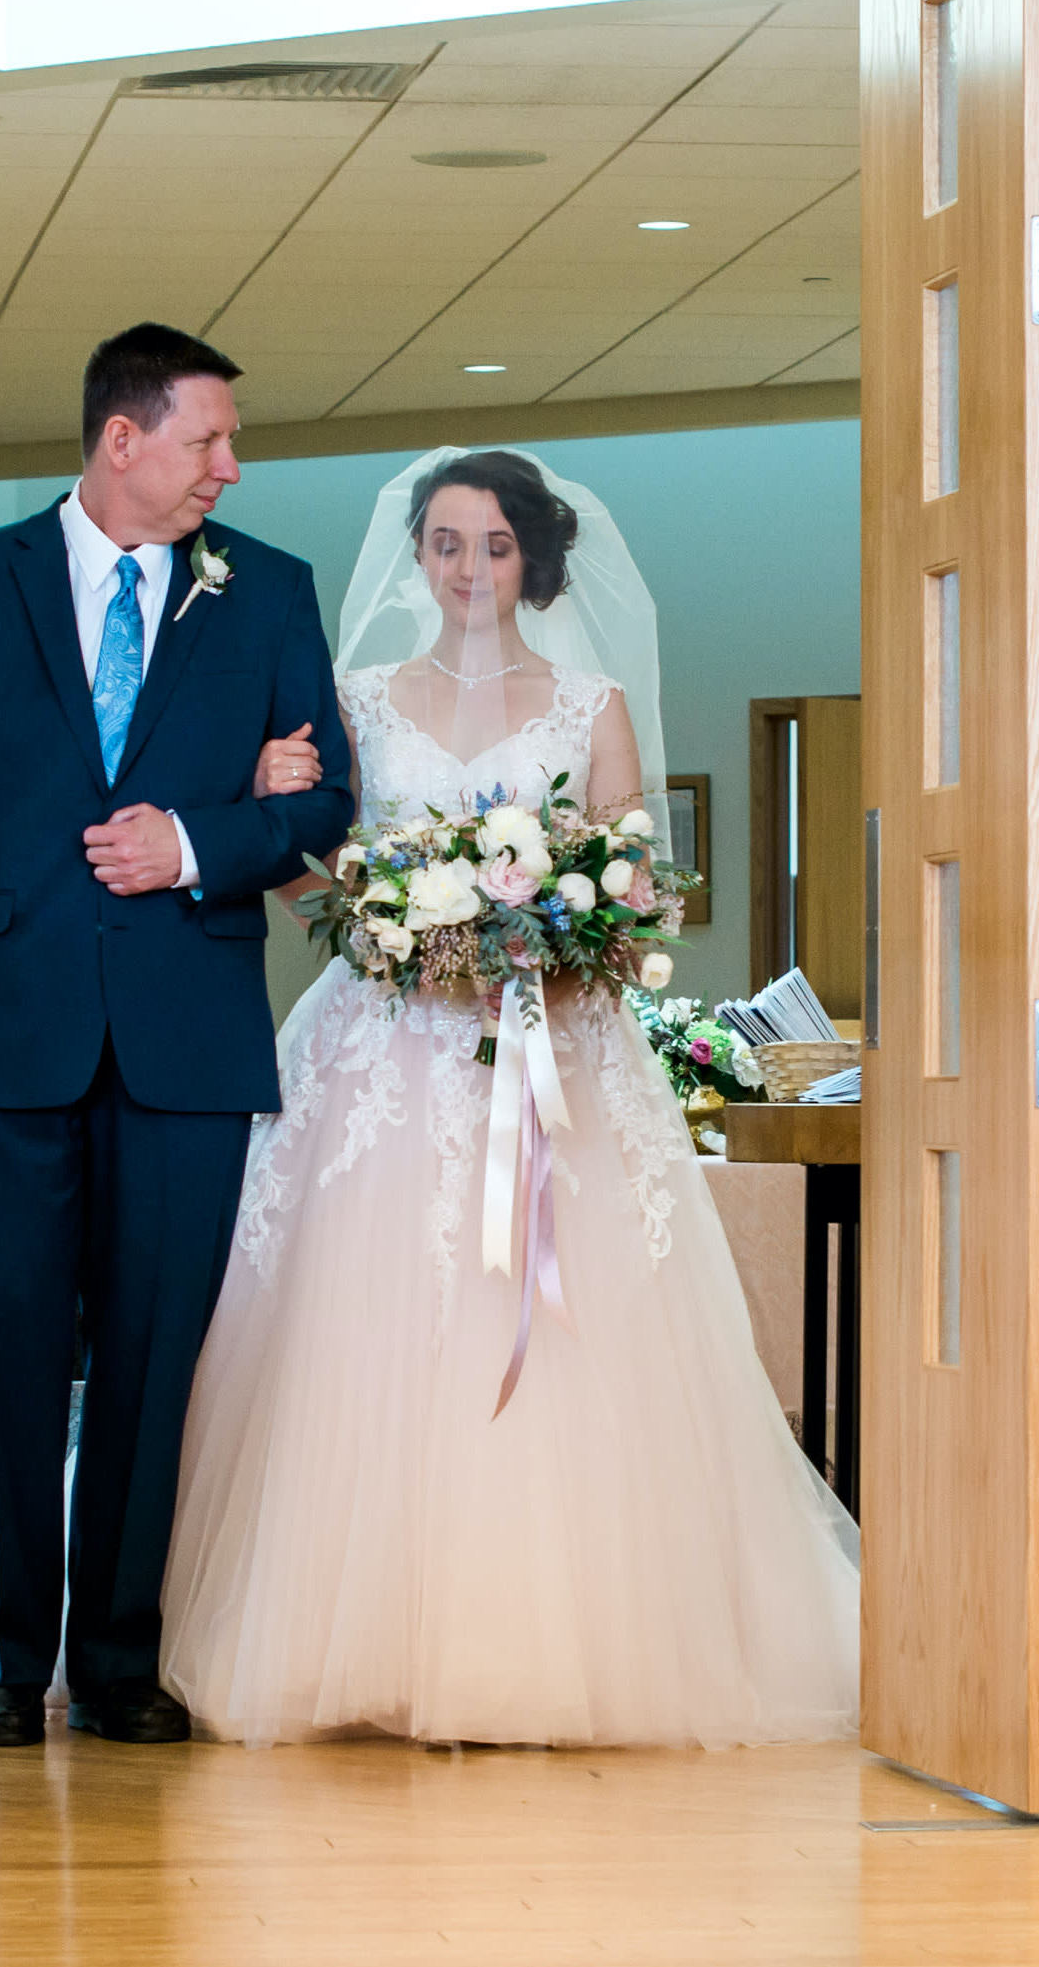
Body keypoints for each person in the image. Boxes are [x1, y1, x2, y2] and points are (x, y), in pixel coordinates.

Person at [156, 448, 859, 1747]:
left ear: (535, 557)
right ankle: (346, 1645)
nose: (468, 568)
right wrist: (396, 930)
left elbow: (639, 876)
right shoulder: (357, 699)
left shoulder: (587, 703)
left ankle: (544, 1649)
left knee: (556, 1328)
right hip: (381, 1050)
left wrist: (558, 931)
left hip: (552, 1048)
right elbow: (304, 865)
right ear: (416, 556)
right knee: (360, 1329)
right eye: (445, 544)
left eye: (492, 545)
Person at [0, 323, 352, 1747]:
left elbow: (325, 808)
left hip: (188, 1048)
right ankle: (12, 1664)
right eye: (210, 438)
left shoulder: (266, 592)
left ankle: (124, 1662)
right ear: (122, 440)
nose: (231, 465)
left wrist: (201, 838)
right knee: (5, 1356)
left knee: (157, 1364)